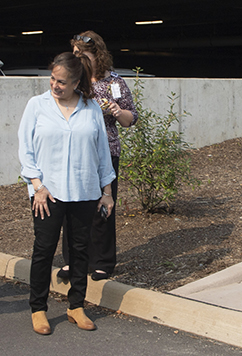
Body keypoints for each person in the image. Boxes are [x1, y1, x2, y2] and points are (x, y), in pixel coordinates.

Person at [18, 52, 117, 335]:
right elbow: (26, 150)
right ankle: (38, 308)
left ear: (76, 82)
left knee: (80, 250)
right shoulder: (37, 105)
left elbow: (102, 153)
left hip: (84, 191)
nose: (55, 85)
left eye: (61, 81)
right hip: (46, 193)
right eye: (52, 79)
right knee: (44, 250)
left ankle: (76, 306)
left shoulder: (91, 108)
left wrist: (106, 192)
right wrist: (36, 185)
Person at [59, 30, 138, 282]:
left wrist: (116, 110)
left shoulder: (114, 82)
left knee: (103, 207)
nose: (77, 59)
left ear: (97, 55)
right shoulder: (73, 81)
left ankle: (103, 262)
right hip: (76, 152)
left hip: (106, 153)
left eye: (81, 55)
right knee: (72, 207)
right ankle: (72, 261)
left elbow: (130, 120)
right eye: (74, 55)